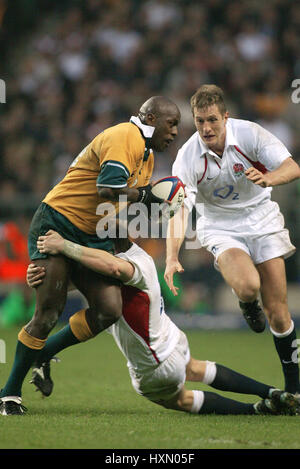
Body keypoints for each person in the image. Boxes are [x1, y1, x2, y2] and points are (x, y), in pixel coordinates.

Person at [0, 96, 181, 415]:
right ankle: (9, 393)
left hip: (93, 232)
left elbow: (117, 206)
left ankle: (43, 353)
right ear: (151, 118)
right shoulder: (126, 136)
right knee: (48, 311)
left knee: (109, 309)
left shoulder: (146, 156)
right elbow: (107, 188)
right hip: (58, 220)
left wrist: (156, 205)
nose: (176, 131)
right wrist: (145, 195)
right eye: (172, 123)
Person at [2, 229, 299, 417]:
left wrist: (65, 245)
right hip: (172, 339)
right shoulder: (139, 255)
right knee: (196, 368)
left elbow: (111, 267)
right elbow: (96, 274)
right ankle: (271, 393)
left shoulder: (129, 266)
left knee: (181, 400)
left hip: (155, 366)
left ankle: (253, 410)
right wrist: (39, 280)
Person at [164, 84, 300, 395]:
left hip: (262, 218)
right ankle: (247, 302)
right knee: (249, 285)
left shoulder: (251, 134)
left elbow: (291, 167)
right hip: (220, 226)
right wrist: (172, 256)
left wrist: (269, 178)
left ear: (226, 116)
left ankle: (294, 390)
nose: (206, 128)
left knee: (278, 311)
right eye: (199, 121)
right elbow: (179, 211)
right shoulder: (187, 156)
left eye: (212, 119)